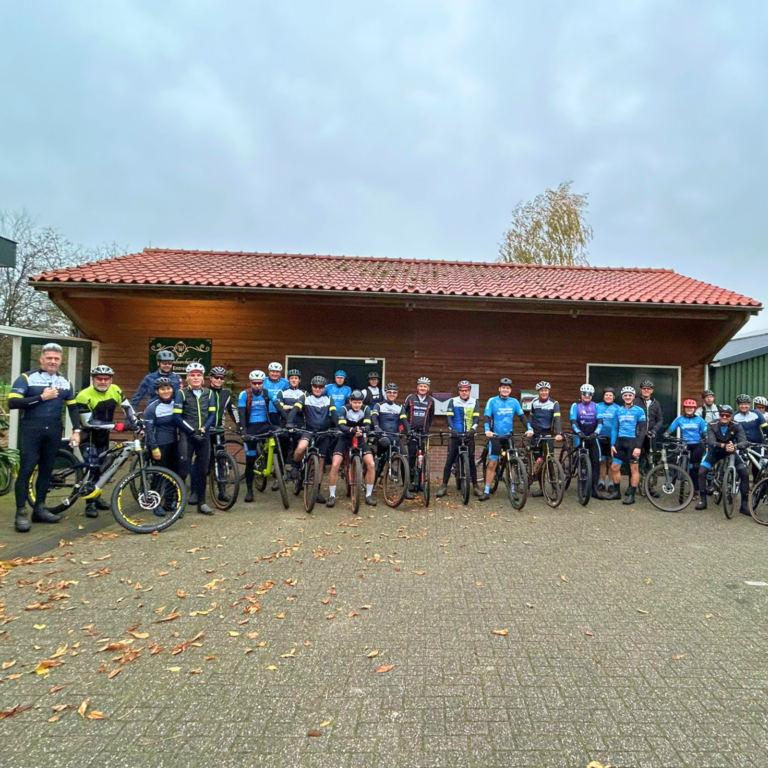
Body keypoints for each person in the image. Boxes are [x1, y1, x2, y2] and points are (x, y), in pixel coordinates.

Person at [9, 343, 81, 532]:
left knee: (47, 470)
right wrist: (41, 398)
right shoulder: (27, 378)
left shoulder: (64, 381)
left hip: (53, 430)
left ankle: (39, 509)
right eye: (49, 358)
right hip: (31, 430)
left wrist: (77, 430)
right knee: (26, 470)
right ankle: (21, 512)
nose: (52, 361)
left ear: (61, 361)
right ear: (41, 359)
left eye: (56, 358)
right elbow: (13, 402)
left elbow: (73, 408)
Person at [75, 365, 137, 518]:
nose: (103, 381)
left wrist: (136, 422)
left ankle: (96, 497)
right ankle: (89, 504)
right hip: (88, 436)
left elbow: (127, 408)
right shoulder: (84, 395)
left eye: (106, 379)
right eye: (99, 378)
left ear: (111, 380)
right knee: (93, 467)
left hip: (104, 436)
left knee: (103, 468)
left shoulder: (115, 390)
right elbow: (88, 422)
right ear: (93, 379)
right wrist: (115, 426)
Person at [174, 362, 216, 515]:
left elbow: (212, 414)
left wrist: (204, 428)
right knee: (183, 469)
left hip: (204, 434)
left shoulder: (209, 393)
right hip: (187, 435)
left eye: (199, 375)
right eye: (192, 375)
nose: (196, 378)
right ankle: (177, 504)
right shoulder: (182, 393)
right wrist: (192, 431)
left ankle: (202, 503)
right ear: (187, 378)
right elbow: (177, 417)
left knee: (203, 469)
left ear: (203, 378)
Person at [480, 378, 530, 502]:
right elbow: (486, 417)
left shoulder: (514, 402)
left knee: (511, 463)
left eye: (507, 388)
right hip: (495, 436)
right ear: (499, 389)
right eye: (503, 387)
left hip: (508, 436)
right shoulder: (492, 401)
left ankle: (512, 490)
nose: (505, 390)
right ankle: (486, 490)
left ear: (510, 390)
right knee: (493, 463)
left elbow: (522, 417)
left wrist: (529, 428)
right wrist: (487, 430)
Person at [290, 375, 338, 505]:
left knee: (321, 462)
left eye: (320, 387)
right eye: (315, 386)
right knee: (301, 448)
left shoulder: (328, 399)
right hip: (309, 431)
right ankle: (295, 466)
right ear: (311, 387)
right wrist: (289, 422)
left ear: (323, 388)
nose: (317, 389)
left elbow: (334, 414)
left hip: (324, 433)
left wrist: (339, 427)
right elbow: (295, 409)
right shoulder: (305, 397)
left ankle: (317, 491)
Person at [696, 405, 750, 515]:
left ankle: (744, 506)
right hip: (715, 452)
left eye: (727, 415)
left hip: (731, 451)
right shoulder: (712, 424)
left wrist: (735, 446)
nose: (724, 417)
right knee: (702, 472)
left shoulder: (736, 425)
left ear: (731, 416)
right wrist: (723, 445)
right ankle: (703, 501)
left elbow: (744, 441)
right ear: (719, 415)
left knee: (744, 474)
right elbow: (710, 442)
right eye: (722, 415)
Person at [328, 390, 377, 508]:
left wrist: (362, 430)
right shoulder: (344, 409)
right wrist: (351, 430)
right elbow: (341, 425)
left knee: (371, 464)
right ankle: (332, 495)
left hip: (359, 439)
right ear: (350, 402)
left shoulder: (366, 409)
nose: (357, 405)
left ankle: (368, 495)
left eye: (359, 402)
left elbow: (368, 425)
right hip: (345, 438)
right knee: (335, 464)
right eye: (355, 402)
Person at [143, 376, 181, 515]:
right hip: (159, 445)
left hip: (174, 443)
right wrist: (154, 448)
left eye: (168, 388)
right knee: (159, 475)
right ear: (157, 391)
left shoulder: (176, 404)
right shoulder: (152, 408)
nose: (166, 391)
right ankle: (155, 503)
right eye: (162, 389)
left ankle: (169, 501)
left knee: (173, 473)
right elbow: (149, 430)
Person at [437, 380, 480, 499]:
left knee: (471, 461)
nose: (464, 392)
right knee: (450, 460)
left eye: (466, 390)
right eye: (462, 390)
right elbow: (449, 418)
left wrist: (473, 429)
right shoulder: (453, 401)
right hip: (455, 435)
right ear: (459, 391)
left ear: (470, 391)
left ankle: (475, 486)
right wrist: (452, 429)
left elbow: (476, 418)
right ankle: (444, 486)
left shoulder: (474, 402)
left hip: (469, 435)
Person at [371, 383, 411, 498]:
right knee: (380, 459)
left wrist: (409, 431)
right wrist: (376, 427)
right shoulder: (379, 405)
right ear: (386, 393)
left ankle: (405, 489)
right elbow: (374, 417)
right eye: (389, 392)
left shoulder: (399, 407)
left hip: (395, 436)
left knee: (405, 457)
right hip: (382, 436)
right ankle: (371, 487)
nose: (392, 394)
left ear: (397, 394)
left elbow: (404, 420)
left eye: (394, 392)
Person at [237, 370, 272, 502]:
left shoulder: (267, 393)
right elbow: (241, 414)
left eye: (260, 383)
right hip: (250, 428)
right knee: (250, 461)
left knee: (280, 438)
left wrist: (288, 420)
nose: (257, 385)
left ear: (263, 383)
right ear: (250, 382)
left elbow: (277, 406)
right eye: (254, 383)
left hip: (264, 425)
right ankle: (249, 490)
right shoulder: (244, 394)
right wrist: (243, 431)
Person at [609, 386, 647, 505]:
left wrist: (638, 447)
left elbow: (643, 430)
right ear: (622, 397)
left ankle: (631, 495)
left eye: (630, 395)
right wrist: (612, 444)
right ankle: (616, 492)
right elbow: (615, 428)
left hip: (633, 443)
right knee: (614, 467)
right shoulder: (618, 410)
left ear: (633, 397)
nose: (628, 397)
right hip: (620, 442)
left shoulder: (639, 411)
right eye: (625, 395)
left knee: (634, 469)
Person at [525, 381, 564, 497]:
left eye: (546, 390)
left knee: (549, 461)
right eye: (542, 391)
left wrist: (558, 433)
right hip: (536, 435)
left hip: (548, 434)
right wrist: (529, 429)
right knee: (539, 461)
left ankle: (554, 489)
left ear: (549, 391)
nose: (544, 392)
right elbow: (531, 418)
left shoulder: (554, 403)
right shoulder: (534, 402)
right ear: (538, 392)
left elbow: (557, 419)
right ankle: (542, 489)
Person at [664, 399, 707, 496]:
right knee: (677, 461)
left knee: (694, 468)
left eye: (691, 408)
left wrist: (706, 436)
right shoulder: (679, 419)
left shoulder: (699, 420)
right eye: (687, 407)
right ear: (684, 409)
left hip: (697, 445)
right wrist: (667, 433)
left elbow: (705, 431)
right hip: (685, 444)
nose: (689, 409)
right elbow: (671, 428)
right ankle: (677, 480)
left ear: (694, 409)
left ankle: (696, 490)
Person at [402, 377, 436, 496]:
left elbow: (431, 416)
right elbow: (403, 413)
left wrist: (426, 429)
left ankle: (420, 482)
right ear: (417, 387)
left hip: (423, 433)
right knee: (411, 456)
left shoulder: (431, 400)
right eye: (421, 386)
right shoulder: (410, 397)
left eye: (425, 386)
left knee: (422, 457)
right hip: (412, 432)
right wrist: (407, 429)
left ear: (428, 388)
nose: (423, 388)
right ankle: (411, 482)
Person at [569, 384, 603, 498]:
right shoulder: (575, 405)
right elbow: (573, 421)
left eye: (589, 394)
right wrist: (579, 432)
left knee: (596, 462)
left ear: (592, 395)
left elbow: (600, 421)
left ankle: (594, 489)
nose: (586, 396)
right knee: (582, 463)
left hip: (592, 436)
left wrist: (596, 433)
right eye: (584, 394)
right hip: (580, 436)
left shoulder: (596, 406)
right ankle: (582, 488)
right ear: (581, 394)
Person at [275, 369, 305, 469]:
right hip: (284, 422)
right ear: (288, 380)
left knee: (298, 448)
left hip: (299, 423)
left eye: (296, 378)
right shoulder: (282, 392)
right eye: (292, 378)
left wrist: (289, 407)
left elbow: (304, 408)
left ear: (299, 380)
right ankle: (280, 471)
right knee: (283, 447)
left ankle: (297, 470)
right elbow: (280, 408)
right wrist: (295, 407)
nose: (294, 380)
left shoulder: (304, 393)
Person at [596, 387, 620, 495]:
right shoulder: (598, 406)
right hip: (600, 437)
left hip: (612, 438)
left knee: (611, 462)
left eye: (610, 395)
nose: (608, 397)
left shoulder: (618, 408)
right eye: (606, 395)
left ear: (614, 397)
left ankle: (611, 483)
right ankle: (601, 482)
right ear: (603, 397)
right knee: (602, 461)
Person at [635, 380, 663, 467]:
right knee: (637, 457)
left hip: (651, 435)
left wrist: (654, 430)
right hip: (638, 435)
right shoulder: (635, 402)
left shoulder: (656, 403)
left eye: (648, 389)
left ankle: (651, 474)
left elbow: (660, 419)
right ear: (641, 390)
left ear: (652, 390)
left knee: (651, 458)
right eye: (644, 388)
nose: (646, 390)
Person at [208, 366, 239, 431]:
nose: (219, 380)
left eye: (221, 378)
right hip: (206, 428)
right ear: (211, 378)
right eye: (216, 377)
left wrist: (239, 425)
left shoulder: (226, 393)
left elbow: (232, 410)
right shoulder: (205, 392)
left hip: (220, 428)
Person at [264, 362, 290, 428]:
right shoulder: (263, 381)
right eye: (273, 371)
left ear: (280, 373)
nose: (275, 374)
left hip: (279, 412)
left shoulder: (286, 383)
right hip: (265, 412)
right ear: (269, 372)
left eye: (277, 372)